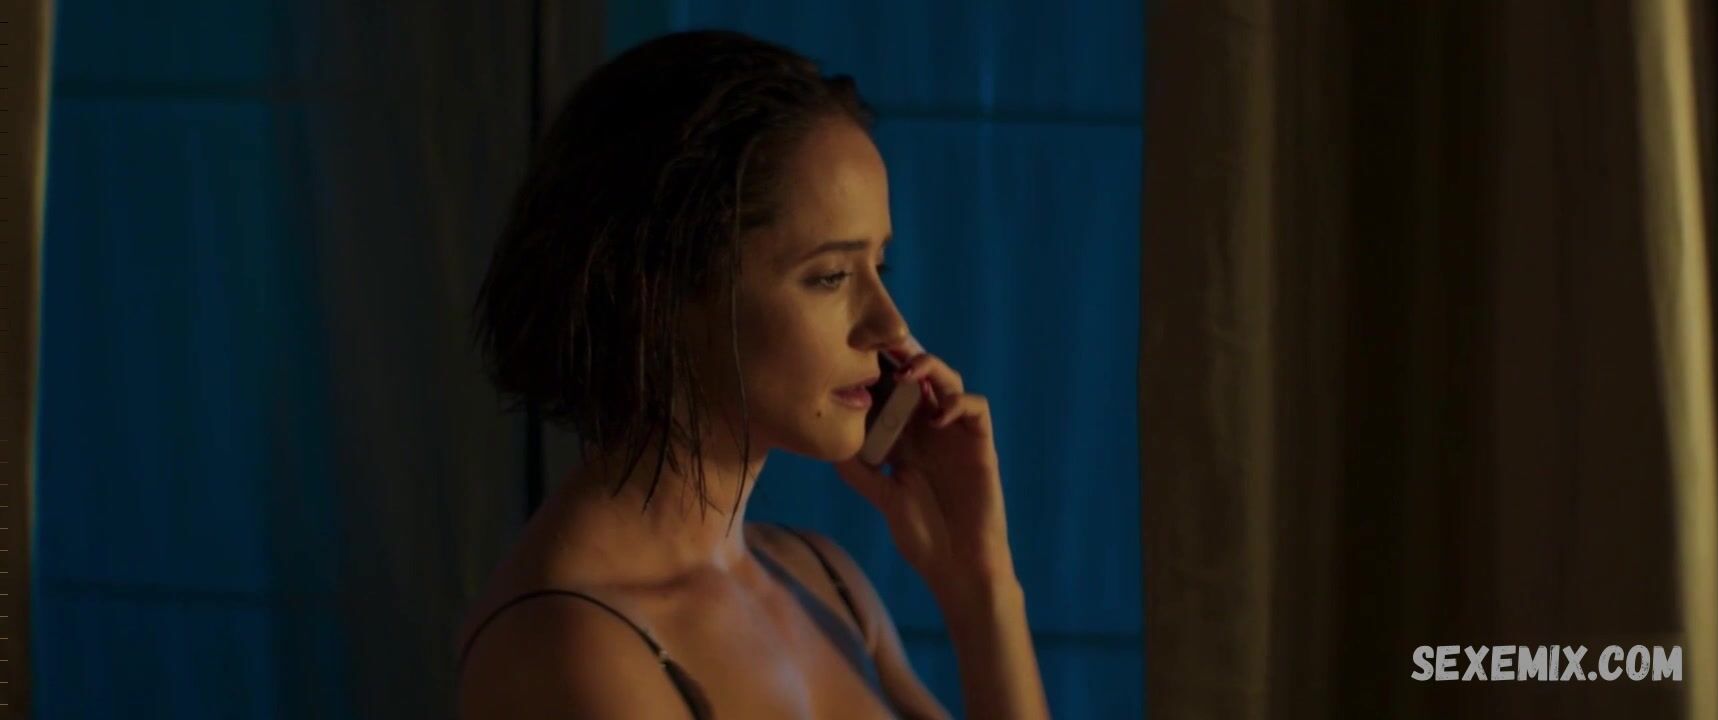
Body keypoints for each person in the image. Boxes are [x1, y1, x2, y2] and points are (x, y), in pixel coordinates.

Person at [456, 30, 1050, 720]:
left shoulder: (823, 582)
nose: (890, 327)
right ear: (664, 288)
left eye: (878, 266)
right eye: (830, 276)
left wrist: (980, 584)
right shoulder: (569, 646)